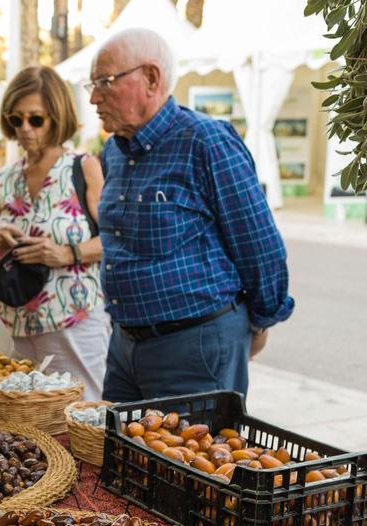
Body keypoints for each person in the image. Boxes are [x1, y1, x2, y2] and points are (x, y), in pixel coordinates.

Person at [88, 28, 293, 401]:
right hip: (125, 344)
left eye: (105, 82)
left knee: (191, 458)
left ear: (151, 78)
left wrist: (262, 320)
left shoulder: (206, 141)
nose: (93, 97)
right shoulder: (115, 152)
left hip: (194, 348)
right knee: (116, 457)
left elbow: (258, 244)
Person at [0, 65, 109, 400]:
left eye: (35, 119)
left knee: (81, 413)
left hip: (72, 321)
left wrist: (65, 253)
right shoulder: (5, 179)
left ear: (56, 116)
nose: (25, 130)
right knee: (20, 426)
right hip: (11, 325)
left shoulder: (82, 167)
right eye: (16, 120)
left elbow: (113, 241)